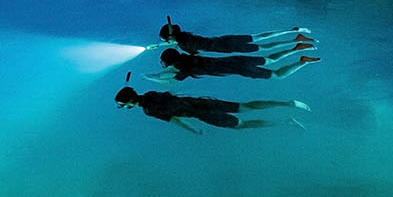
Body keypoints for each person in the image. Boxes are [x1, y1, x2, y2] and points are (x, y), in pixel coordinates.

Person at [114, 86, 309, 132]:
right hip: (203, 102)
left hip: (201, 114)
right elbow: (172, 92)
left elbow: (176, 120)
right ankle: (288, 103)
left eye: (123, 104)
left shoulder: (149, 110)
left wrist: (193, 130)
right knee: (245, 106)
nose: (124, 107)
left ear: (129, 101)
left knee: (242, 125)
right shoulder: (150, 94)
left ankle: (286, 121)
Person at [150, 45, 320, 82]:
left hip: (238, 68)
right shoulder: (190, 56)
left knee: (276, 75)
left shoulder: (185, 69)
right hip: (234, 60)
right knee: (270, 59)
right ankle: (296, 48)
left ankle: (302, 62)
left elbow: (170, 79)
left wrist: (150, 77)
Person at [158, 19, 315, 56]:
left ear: (170, 38)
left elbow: (196, 53)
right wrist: (175, 43)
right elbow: (190, 43)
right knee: (259, 37)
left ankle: (296, 41)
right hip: (224, 39)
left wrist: (176, 46)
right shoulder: (186, 36)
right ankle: (292, 31)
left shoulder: (183, 45)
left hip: (226, 47)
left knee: (265, 48)